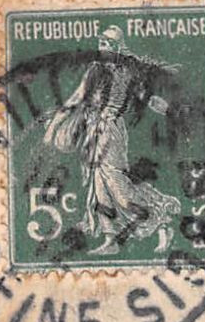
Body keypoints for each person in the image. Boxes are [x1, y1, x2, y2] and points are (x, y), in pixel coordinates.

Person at [42, 27, 182, 255]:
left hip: (111, 132)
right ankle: (111, 240)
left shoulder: (120, 73)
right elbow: (77, 99)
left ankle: (161, 221)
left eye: (106, 43)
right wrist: (55, 124)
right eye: (100, 42)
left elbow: (147, 99)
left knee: (119, 188)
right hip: (97, 132)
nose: (101, 46)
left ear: (117, 47)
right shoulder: (101, 70)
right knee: (99, 187)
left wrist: (170, 111)